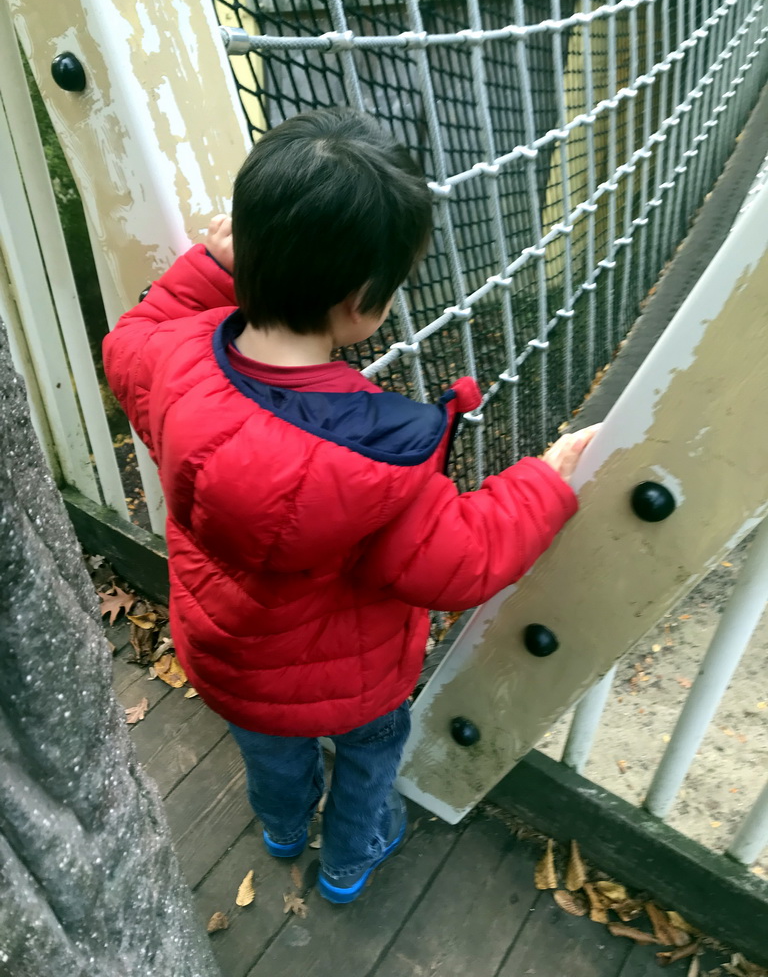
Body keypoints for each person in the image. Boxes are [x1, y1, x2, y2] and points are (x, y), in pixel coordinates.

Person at [103, 107, 597, 905]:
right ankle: (350, 858)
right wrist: (545, 479)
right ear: (363, 305)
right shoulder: (370, 461)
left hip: (227, 658)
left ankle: (283, 827)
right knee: (370, 754)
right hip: (350, 682)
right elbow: (464, 558)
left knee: (270, 750)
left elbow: (137, 324)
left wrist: (208, 266)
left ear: (248, 253)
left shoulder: (166, 360)